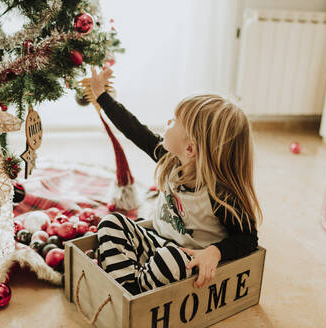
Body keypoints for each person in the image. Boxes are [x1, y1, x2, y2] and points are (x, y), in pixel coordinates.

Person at [89, 67, 262, 295]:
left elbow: (248, 239)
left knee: (169, 260)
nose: (168, 121)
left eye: (175, 121)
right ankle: (130, 290)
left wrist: (214, 252)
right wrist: (102, 96)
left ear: (190, 148)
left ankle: (137, 292)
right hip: (155, 241)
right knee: (111, 223)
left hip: (185, 261)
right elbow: (134, 130)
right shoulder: (171, 161)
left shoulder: (220, 194)